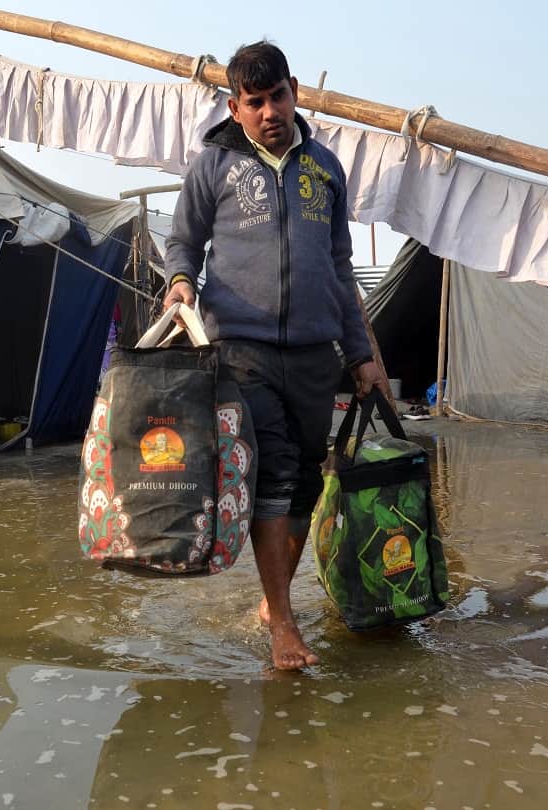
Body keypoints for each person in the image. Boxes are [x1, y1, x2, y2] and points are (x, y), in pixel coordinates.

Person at [164, 41, 385, 670]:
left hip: (317, 354)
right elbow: (183, 241)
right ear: (235, 108)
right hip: (242, 348)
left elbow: (340, 269)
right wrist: (181, 283)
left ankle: (273, 599)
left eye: (277, 97)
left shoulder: (326, 170)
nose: (269, 111)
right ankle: (283, 623)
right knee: (279, 471)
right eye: (254, 102)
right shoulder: (213, 166)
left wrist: (363, 353)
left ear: (295, 92)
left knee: (309, 482)